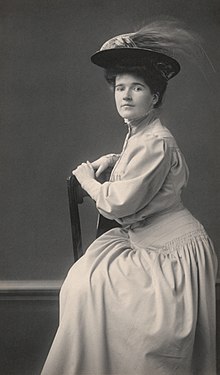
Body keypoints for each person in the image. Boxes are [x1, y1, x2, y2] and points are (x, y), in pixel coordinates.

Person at [41, 21, 218, 375]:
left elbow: (120, 203)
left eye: (136, 88)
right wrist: (114, 161)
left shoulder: (155, 140)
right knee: (85, 281)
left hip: (172, 255)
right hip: (150, 243)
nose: (125, 95)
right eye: (120, 87)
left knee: (99, 292)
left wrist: (88, 179)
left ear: (154, 97)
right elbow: (144, 174)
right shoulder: (140, 133)